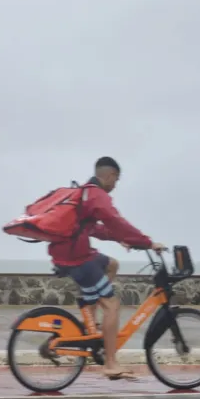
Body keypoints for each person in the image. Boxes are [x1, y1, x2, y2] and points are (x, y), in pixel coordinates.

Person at [49, 156, 167, 380]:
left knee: (112, 264)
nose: (115, 185)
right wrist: (146, 242)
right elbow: (116, 221)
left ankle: (91, 325)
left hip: (71, 254)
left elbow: (94, 229)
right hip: (78, 258)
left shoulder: (85, 193)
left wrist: (121, 240)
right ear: (110, 175)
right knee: (112, 305)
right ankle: (111, 364)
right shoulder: (97, 195)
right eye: (116, 180)